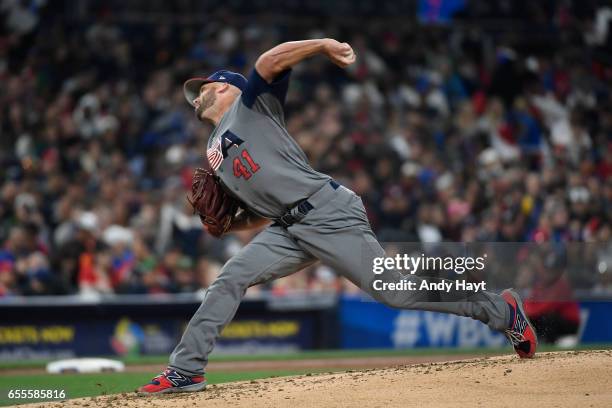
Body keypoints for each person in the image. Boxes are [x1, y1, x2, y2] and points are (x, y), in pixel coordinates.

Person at [138, 38, 537, 394]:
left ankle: (501, 309)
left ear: (224, 86)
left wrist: (323, 45)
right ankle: (185, 370)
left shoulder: (252, 106)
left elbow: (269, 60)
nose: (195, 96)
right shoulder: (214, 152)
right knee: (230, 277)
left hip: (328, 213)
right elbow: (258, 215)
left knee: (397, 293)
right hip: (287, 227)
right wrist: (227, 224)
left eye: (202, 87)